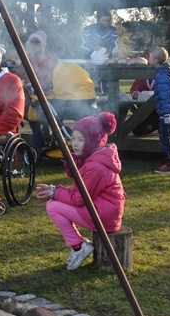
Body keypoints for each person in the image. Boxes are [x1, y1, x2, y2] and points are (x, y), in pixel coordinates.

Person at [36, 111, 125, 270]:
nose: (75, 143)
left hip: (103, 217)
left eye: (81, 139)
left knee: (53, 206)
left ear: (92, 141)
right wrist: (55, 190)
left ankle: (78, 247)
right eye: (74, 138)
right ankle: (78, 246)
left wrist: (54, 193)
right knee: (54, 203)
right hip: (103, 211)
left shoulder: (95, 166)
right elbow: (82, 194)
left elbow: (79, 199)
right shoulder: (95, 158)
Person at [13, 30, 56, 156]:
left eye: (37, 42)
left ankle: (39, 144)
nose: (34, 44)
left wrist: (39, 86)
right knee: (32, 116)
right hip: (29, 93)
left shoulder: (48, 59)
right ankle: (40, 143)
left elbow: (51, 77)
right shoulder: (27, 57)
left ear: (43, 44)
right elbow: (19, 74)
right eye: (32, 41)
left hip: (45, 93)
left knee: (37, 116)